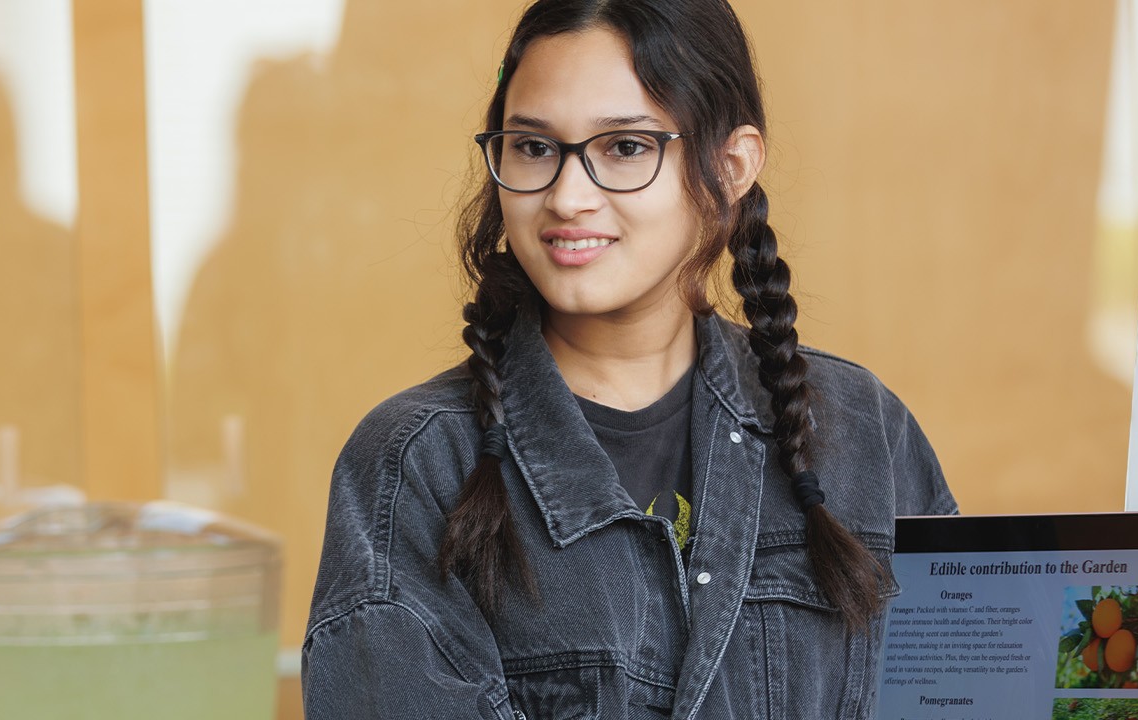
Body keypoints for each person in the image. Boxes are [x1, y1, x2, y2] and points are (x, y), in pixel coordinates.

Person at [303, 1, 956, 717]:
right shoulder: (415, 465)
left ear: (730, 165)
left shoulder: (865, 430)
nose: (567, 197)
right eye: (533, 147)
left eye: (624, 148)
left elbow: (966, 690)